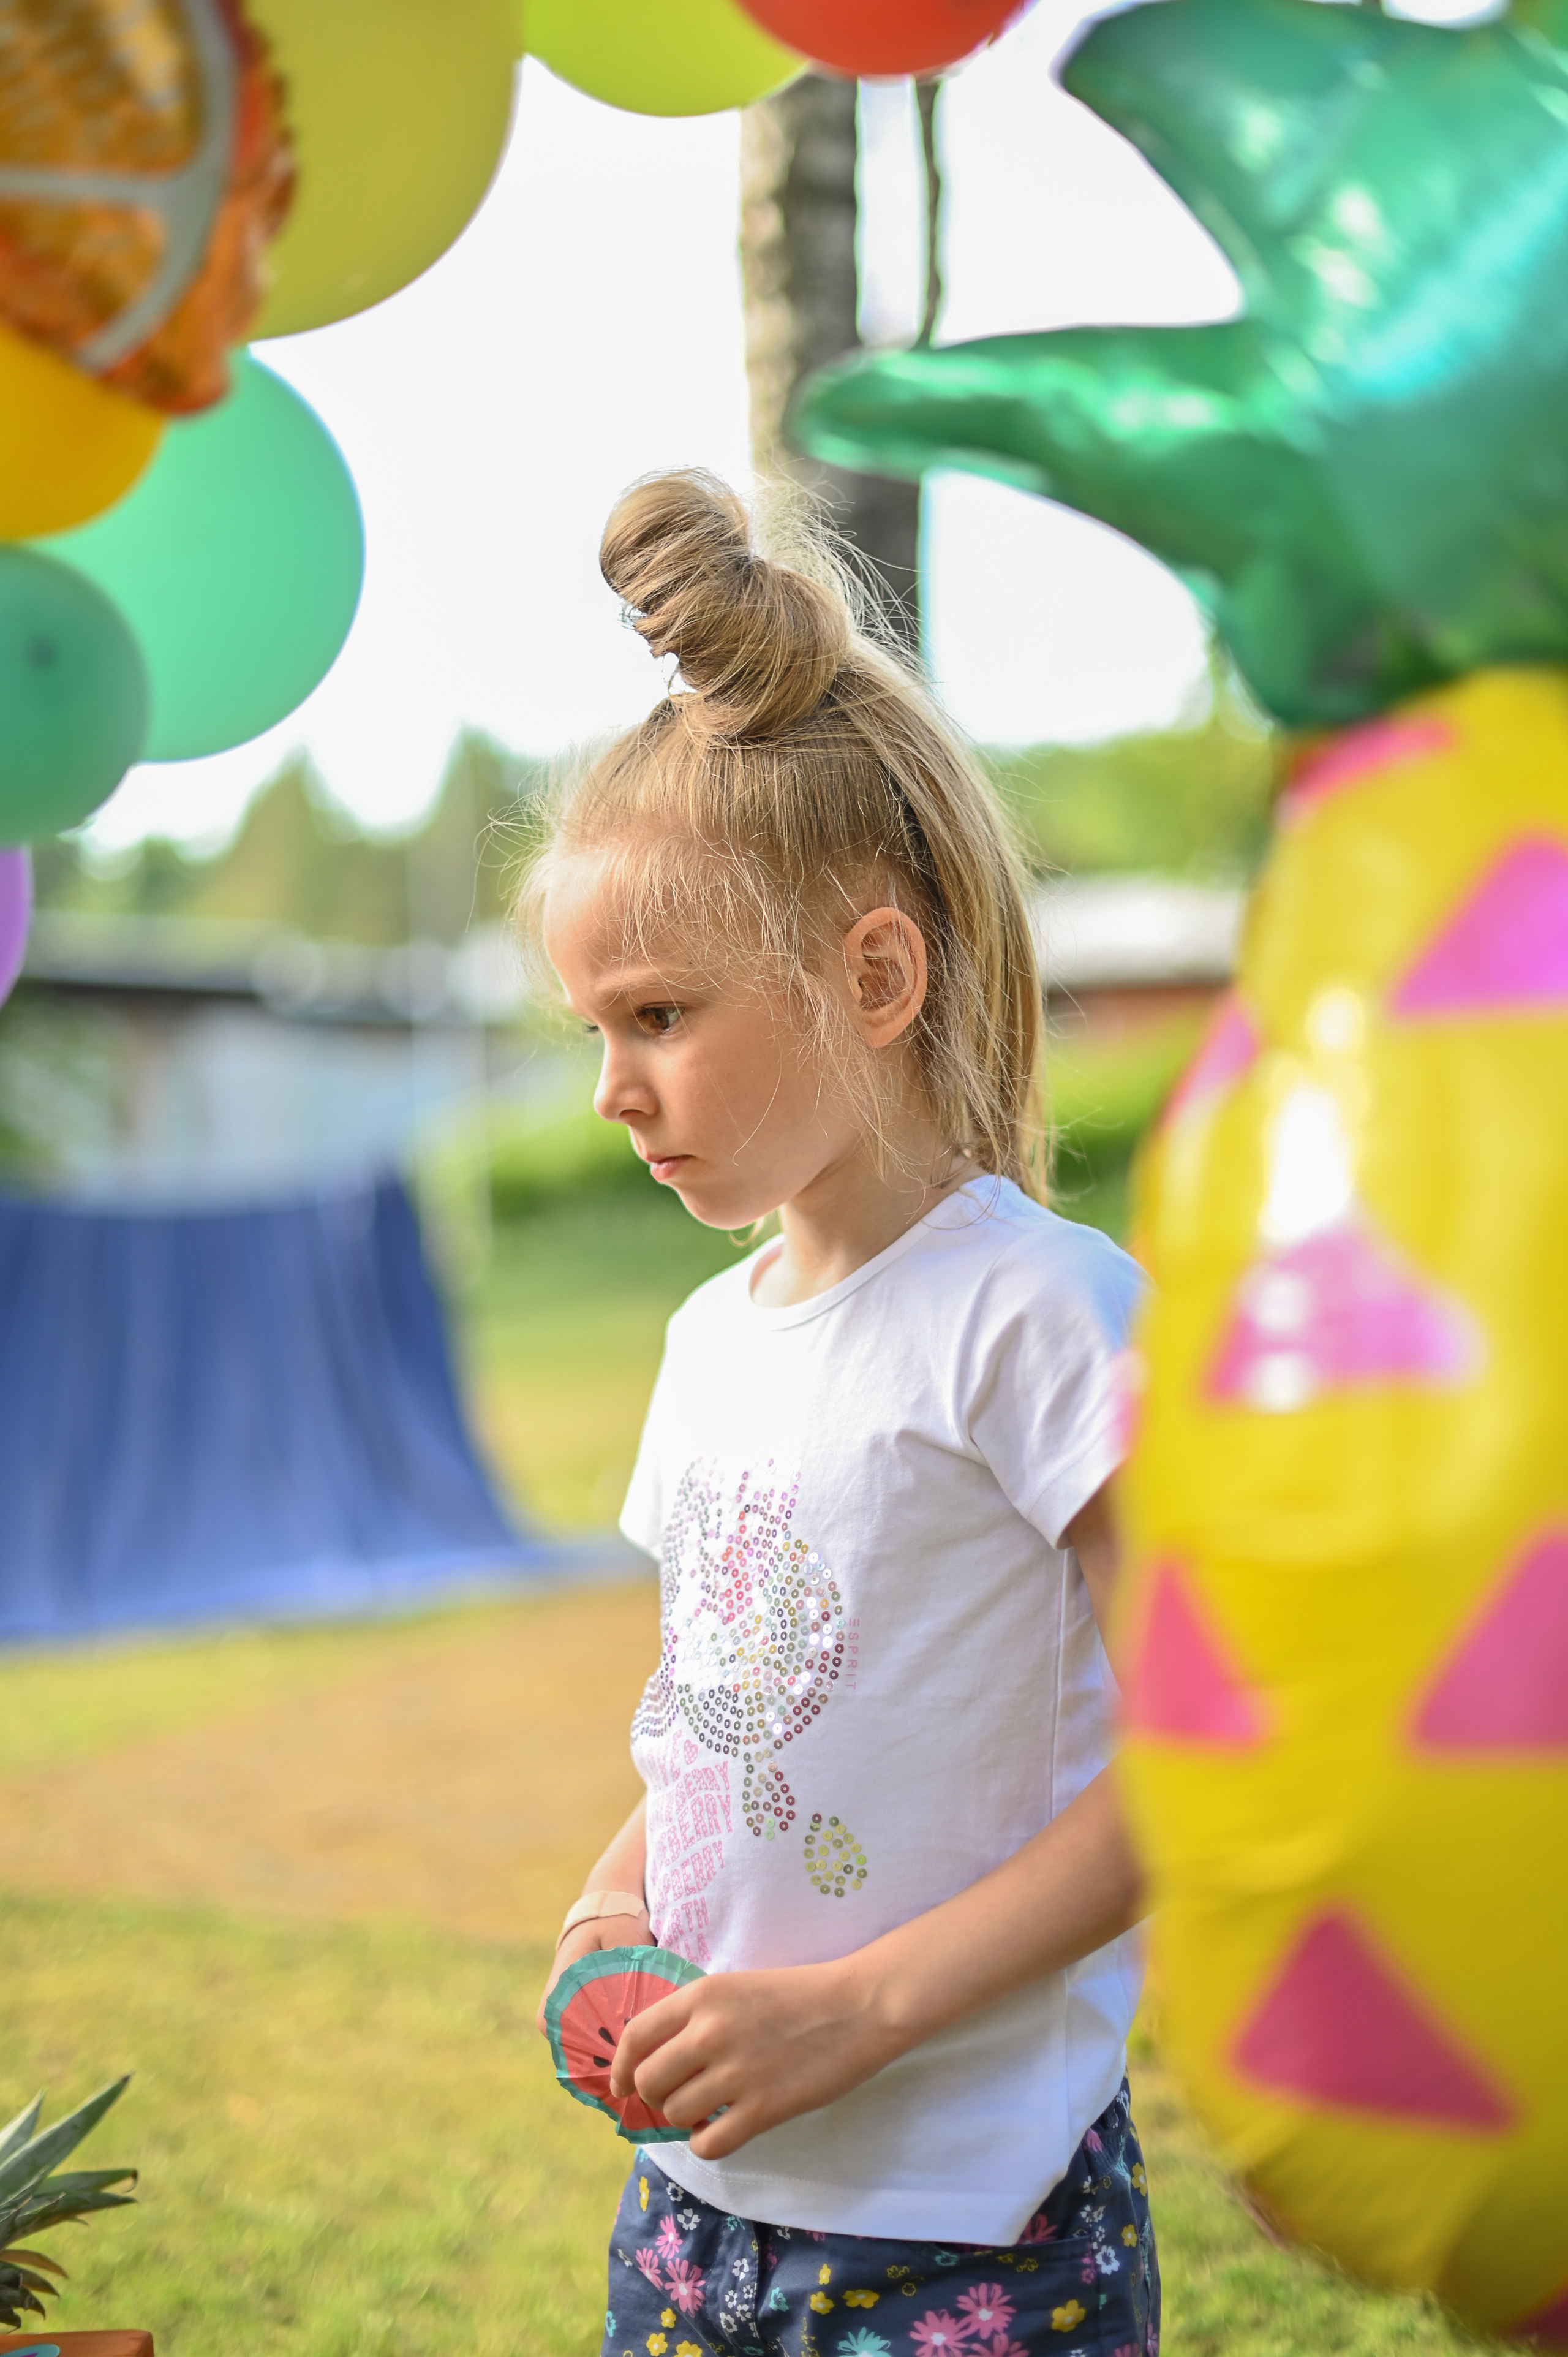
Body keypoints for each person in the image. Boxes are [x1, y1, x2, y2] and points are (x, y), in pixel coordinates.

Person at [524, 470, 1157, 2357]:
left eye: (658, 1015)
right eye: (592, 1031)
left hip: (970, 2230)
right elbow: (721, 1719)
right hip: (690, 2216)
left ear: (873, 974)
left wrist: (863, 2012)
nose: (613, 1089)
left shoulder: (1039, 1317)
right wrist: (614, 1895)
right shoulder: (705, 1343)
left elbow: (1221, 1760)